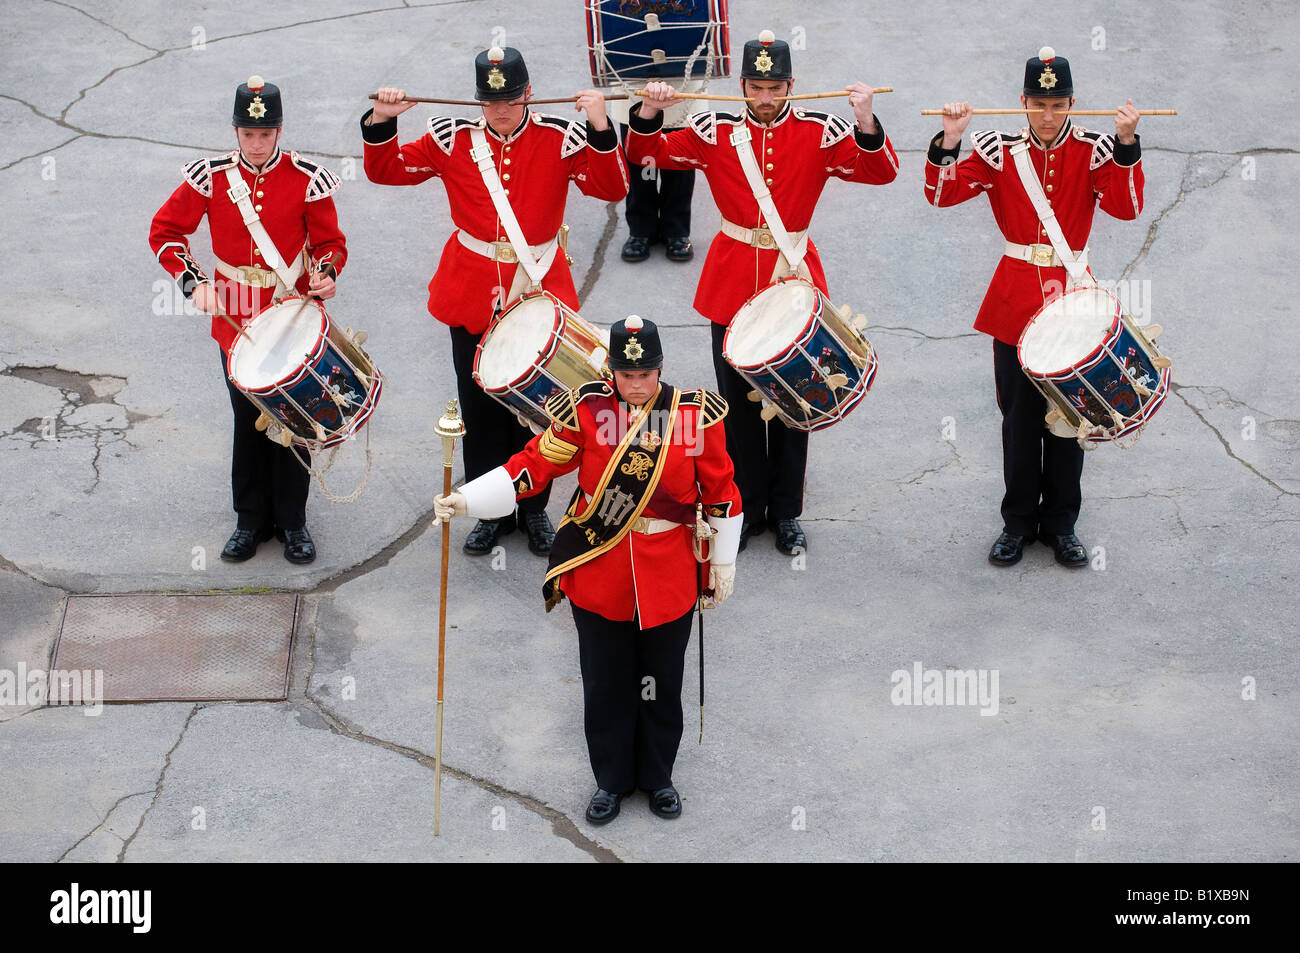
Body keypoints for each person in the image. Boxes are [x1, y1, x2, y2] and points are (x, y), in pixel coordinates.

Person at [434, 316, 742, 824]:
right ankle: (612, 780)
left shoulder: (693, 419)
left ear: (660, 369)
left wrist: (723, 563)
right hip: (602, 570)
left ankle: (659, 777)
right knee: (605, 682)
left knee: (661, 681)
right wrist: (465, 501)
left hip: (669, 570)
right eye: (626, 375)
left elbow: (722, 493)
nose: (636, 385)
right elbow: (533, 466)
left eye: (645, 375)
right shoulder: (586, 409)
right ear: (612, 371)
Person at [626, 30, 898, 555]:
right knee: (738, 406)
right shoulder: (713, 129)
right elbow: (647, 155)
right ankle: (747, 505)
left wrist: (865, 120)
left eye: (775, 87)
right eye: (756, 86)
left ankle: (788, 512)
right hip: (732, 277)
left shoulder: (821, 131)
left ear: (791, 85)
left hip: (793, 278)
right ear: (743, 84)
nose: (766, 97)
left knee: (798, 402)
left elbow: (880, 171)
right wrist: (649, 109)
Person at [362, 47, 629, 557]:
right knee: (480, 408)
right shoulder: (452, 141)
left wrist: (599, 126)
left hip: (537, 289)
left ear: (528, 93)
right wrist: (382, 119)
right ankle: (489, 509)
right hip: (471, 290)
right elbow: (388, 171)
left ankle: (533, 510)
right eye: (490, 100)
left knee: (542, 411)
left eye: (509, 98)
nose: (500, 110)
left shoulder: (560, 138)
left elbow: (610, 186)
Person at [923, 47, 1144, 568]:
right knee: (1019, 420)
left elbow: (1127, 208)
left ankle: (1062, 523)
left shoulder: (1094, 149)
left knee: (1071, 416)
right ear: (1022, 101)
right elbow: (940, 196)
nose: (1048, 115)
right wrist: (951, 140)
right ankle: (1017, 522)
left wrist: (1128, 143)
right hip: (1016, 296)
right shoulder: (999, 150)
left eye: (1058, 104)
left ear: (1072, 103)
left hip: (1072, 297)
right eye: (1039, 103)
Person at [149, 75, 347, 564]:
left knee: (295, 418)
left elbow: (329, 244)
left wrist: (326, 273)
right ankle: (250, 521)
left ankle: (293, 522)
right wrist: (194, 282)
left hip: (292, 311)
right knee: (247, 418)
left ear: (279, 130)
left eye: (265, 134)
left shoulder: (306, 178)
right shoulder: (211, 178)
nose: (257, 144)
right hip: (235, 315)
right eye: (248, 134)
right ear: (236, 131)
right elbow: (166, 232)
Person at [608, 77, 702, 263]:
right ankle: (641, 229)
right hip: (634, 81)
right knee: (641, 168)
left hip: (684, 81)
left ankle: (676, 230)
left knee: (680, 168)